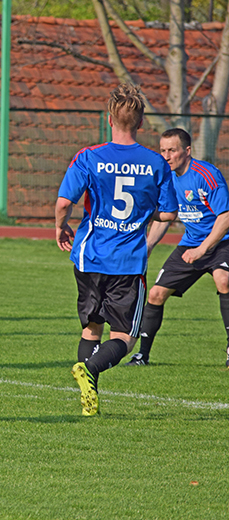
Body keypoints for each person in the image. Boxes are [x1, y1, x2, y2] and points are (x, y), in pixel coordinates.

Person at [55, 83, 177, 416]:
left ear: (109, 119)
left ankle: (88, 399)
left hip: (89, 256)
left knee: (91, 328)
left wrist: (60, 227)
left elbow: (64, 203)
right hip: (127, 262)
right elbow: (168, 213)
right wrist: (144, 213)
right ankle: (90, 370)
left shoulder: (89, 156)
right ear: (141, 122)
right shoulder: (155, 163)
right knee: (125, 337)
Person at [125, 128, 229, 367]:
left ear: (187, 151)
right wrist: (148, 245)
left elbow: (225, 217)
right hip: (190, 244)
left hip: (222, 242)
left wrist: (203, 249)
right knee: (155, 294)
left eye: (172, 150)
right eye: (162, 150)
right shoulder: (166, 178)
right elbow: (167, 216)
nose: (166, 156)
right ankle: (142, 356)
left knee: (224, 280)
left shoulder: (206, 174)